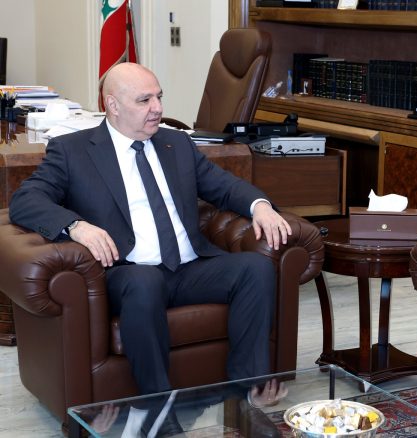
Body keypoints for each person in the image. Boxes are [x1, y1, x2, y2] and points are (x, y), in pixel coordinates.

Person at [10, 62, 290, 435]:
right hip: (128, 272)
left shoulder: (177, 144)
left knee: (255, 268)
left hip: (189, 267)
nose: (157, 108)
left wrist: (261, 207)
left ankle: (245, 394)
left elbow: (223, 186)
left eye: (159, 97)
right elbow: (25, 200)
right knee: (145, 282)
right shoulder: (74, 151)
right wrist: (76, 226)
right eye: (144, 100)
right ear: (112, 105)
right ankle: (159, 408)